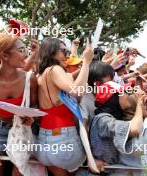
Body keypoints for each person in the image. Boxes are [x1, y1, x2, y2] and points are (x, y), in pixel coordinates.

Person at [0, 34, 38, 176]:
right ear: (4, 55)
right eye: (21, 50)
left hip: (23, 130)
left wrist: (31, 117)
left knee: (19, 172)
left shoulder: (30, 79)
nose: (26, 54)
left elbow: (35, 106)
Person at [35, 37, 93, 175]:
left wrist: (78, 71)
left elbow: (65, 80)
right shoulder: (55, 69)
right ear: (51, 52)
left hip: (44, 141)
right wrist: (86, 62)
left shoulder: (42, 74)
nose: (67, 55)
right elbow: (77, 90)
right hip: (63, 140)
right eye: (63, 51)